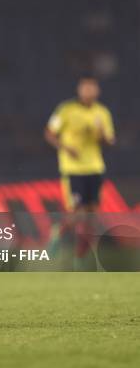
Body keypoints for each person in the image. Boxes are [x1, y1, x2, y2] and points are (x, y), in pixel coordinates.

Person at [44, 76, 115, 260]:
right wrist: (66, 148)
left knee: (92, 213)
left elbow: (109, 141)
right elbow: (49, 134)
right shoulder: (66, 110)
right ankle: (58, 231)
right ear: (79, 90)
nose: (88, 92)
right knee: (77, 212)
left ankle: (81, 255)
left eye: (92, 88)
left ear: (97, 91)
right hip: (73, 169)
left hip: (95, 167)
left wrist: (101, 134)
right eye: (85, 88)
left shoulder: (102, 112)